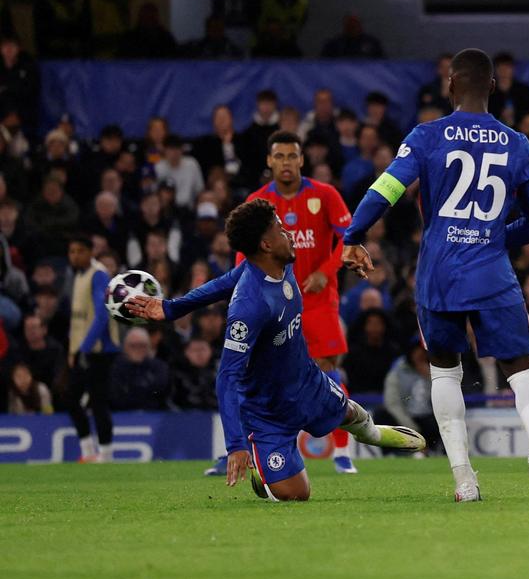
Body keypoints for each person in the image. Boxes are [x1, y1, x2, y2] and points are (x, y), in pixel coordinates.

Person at [341, 48, 529, 502]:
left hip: (439, 274)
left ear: (451, 85)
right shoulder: (517, 143)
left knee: (444, 373)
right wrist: (494, 236)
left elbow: (386, 189)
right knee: (522, 370)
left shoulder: (427, 136)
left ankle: (464, 480)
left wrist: (353, 234)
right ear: (494, 86)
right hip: (493, 273)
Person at [126, 200, 423, 500]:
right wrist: (236, 446)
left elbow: (219, 284)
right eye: (281, 229)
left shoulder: (277, 264)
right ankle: (262, 466)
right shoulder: (249, 307)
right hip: (268, 411)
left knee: (352, 415)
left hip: (307, 382)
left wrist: (171, 308)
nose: (290, 233)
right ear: (266, 244)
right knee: (296, 495)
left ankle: (373, 434)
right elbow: (227, 377)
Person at [244, 130, 358, 472]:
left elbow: (349, 238)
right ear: (269, 161)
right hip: (276, 306)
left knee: (327, 369)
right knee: (273, 375)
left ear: (302, 159)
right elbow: (244, 256)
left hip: (319, 300)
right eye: (279, 156)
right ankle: (275, 452)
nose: (286, 163)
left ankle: (342, 451)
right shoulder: (257, 202)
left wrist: (327, 269)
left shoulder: (324, 195)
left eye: (292, 156)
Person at [65, 234, 120, 462]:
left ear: (90, 252)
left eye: (79, 251)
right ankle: (89, 451)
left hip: (99, 350)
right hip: (83, 349)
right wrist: (73, 349)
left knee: (97, 400)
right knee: (72, 398)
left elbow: (102, 314)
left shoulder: (98, 275)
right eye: (71, 251)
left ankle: (104, 454)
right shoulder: (79, 275)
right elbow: (79, 320)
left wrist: (84, 348)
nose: (74, 256)